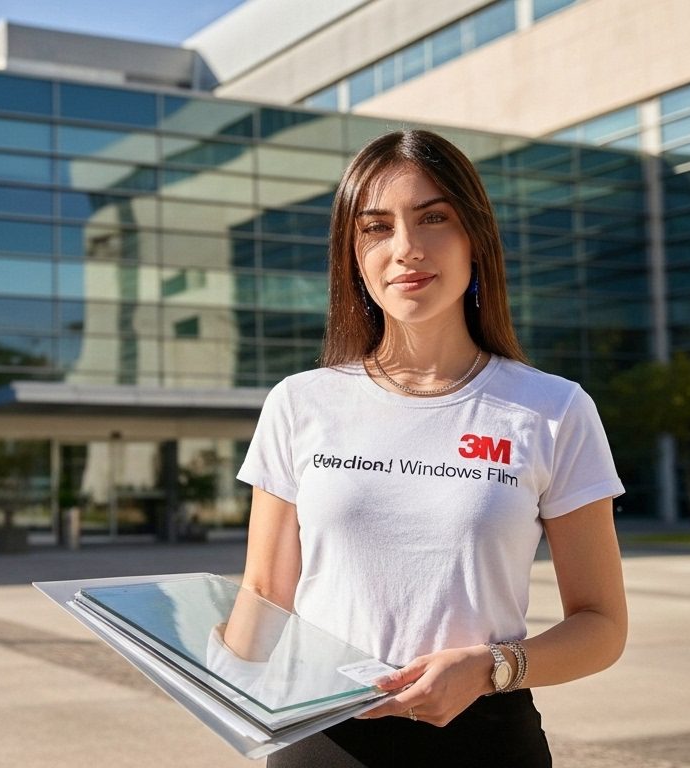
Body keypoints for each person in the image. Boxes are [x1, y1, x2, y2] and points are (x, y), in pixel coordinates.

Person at [234, 129, 627, 767]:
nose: (407, 249)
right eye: (376, 227)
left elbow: (602, 627)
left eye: (433, 218)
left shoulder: (553, 410)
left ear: (476, 239)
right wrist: (203, 671)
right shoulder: (299, 403)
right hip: (322, 741)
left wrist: (489, 668)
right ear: (353, 256)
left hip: (485, 740)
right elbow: (264, 595)